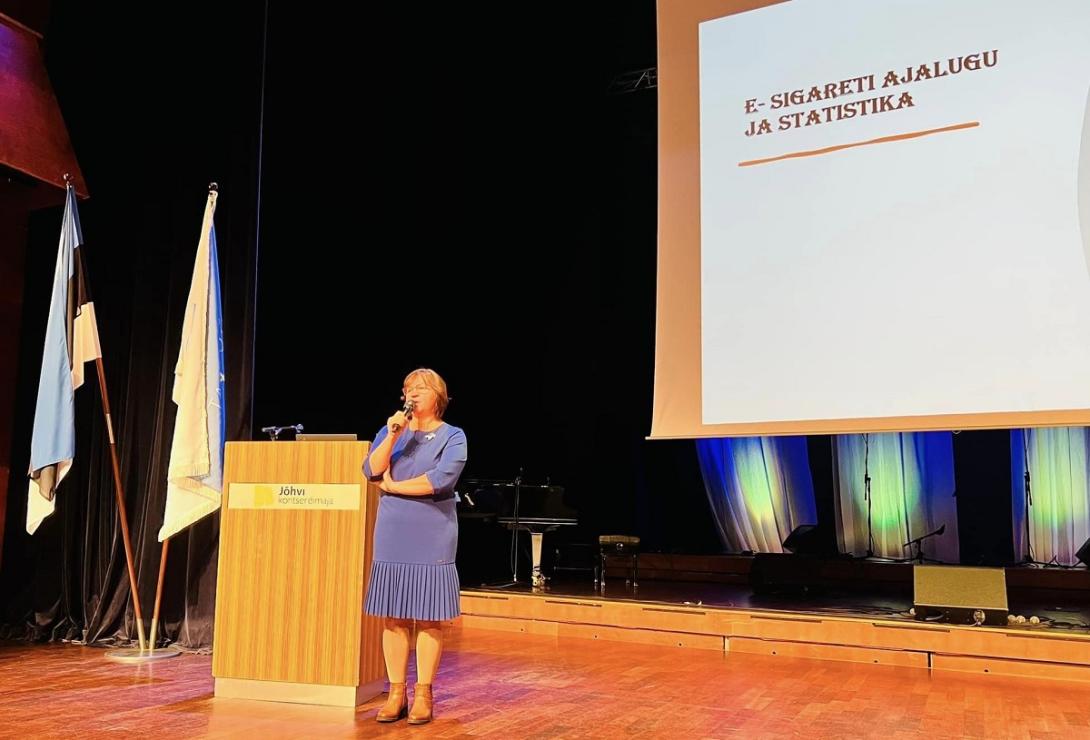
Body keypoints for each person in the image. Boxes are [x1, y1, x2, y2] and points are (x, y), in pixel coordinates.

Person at [363, 368, 467, 725]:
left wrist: (393, 487)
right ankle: (396, 692)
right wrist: (393, 435)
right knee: (393, 617)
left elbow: (439, 480)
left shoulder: (453, 436)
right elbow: (371, 470)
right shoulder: (393, 430)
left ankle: (423, 692)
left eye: (421, 388)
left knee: (428, 616)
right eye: (408, 389)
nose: (413, 394)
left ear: (438, 395)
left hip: (433, 530)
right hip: (393, 530)